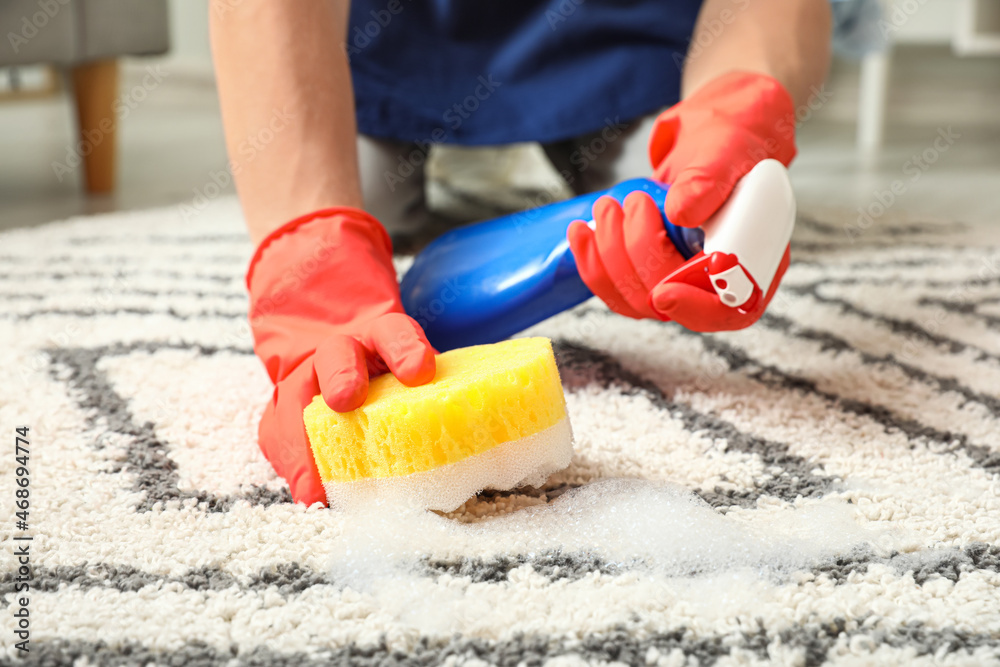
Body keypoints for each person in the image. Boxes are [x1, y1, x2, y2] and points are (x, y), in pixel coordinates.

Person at [209, 0, 832, 505]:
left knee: (671, 211)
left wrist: (735, 104)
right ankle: (470, 159)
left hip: (623, 41)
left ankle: (524, 161)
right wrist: (313, 257)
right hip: (389, 36)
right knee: (366, 194)